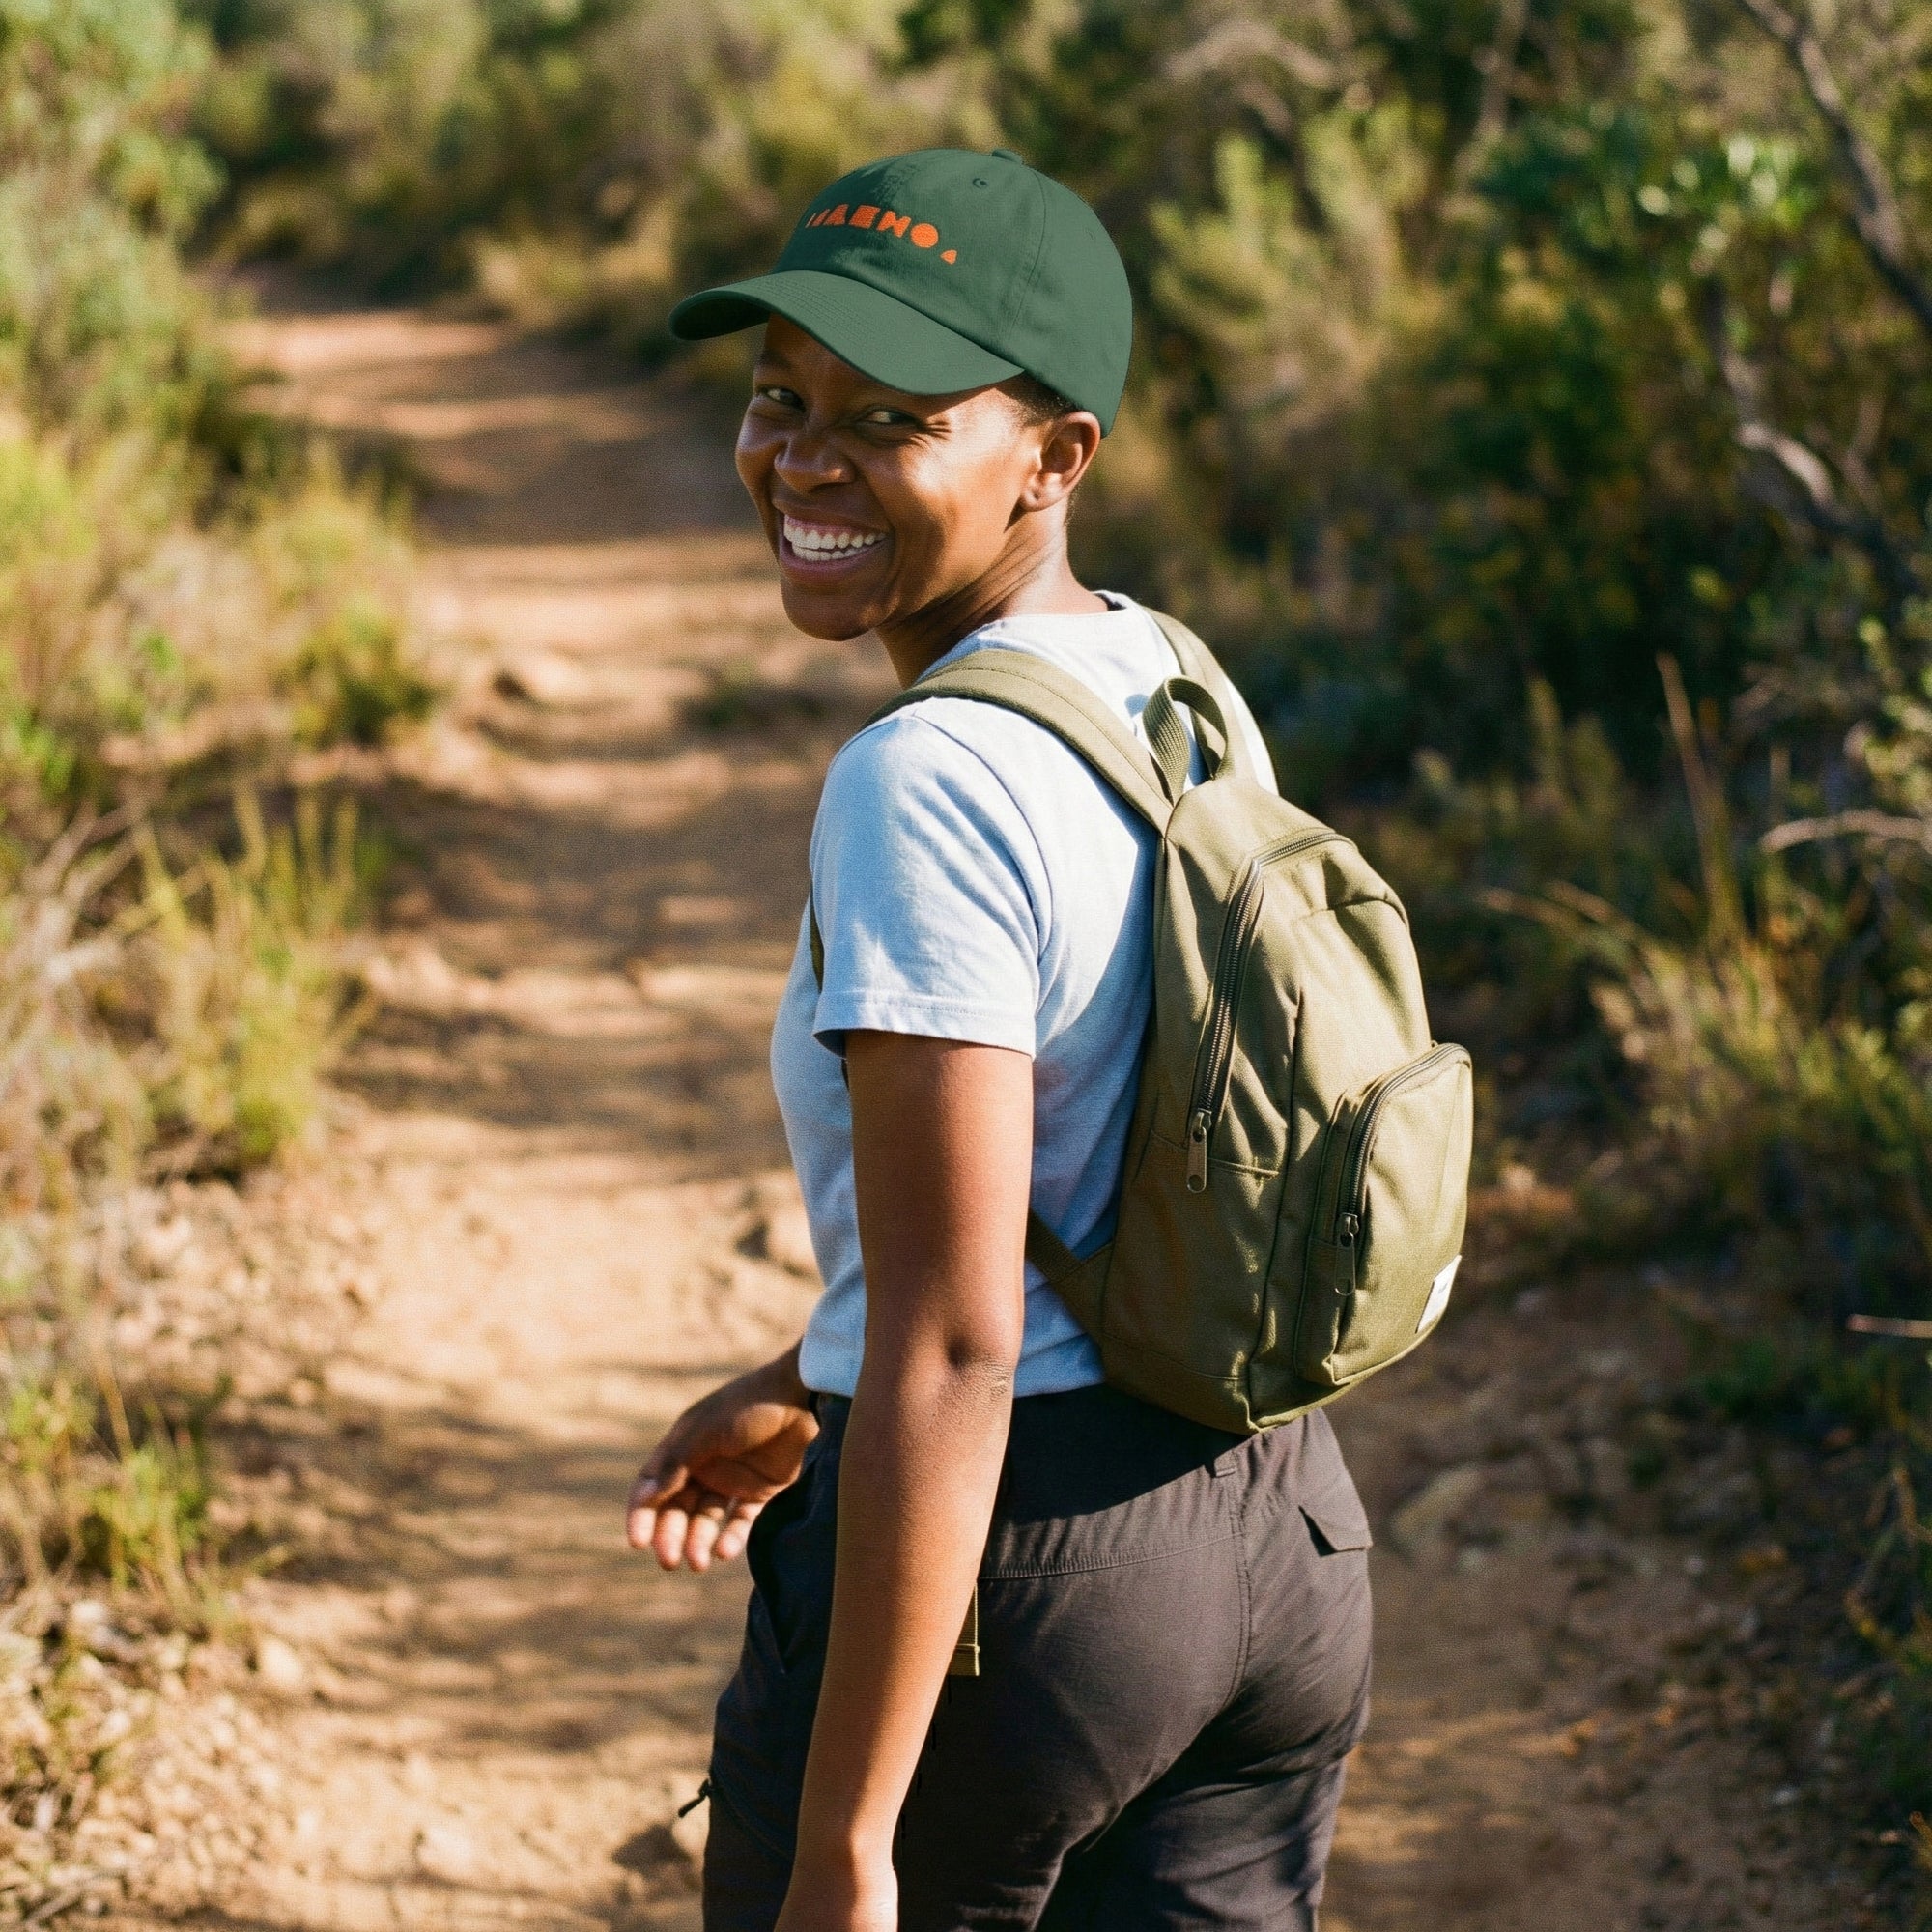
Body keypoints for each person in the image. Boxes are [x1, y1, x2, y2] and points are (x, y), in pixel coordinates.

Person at [624, 148, 1373, 1932]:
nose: (804, 460)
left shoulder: (924, 776)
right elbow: (1135, 1149)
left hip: (1033, 1599)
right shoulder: (1168, 674)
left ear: (1057, 457)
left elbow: (960, 1347)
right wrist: (815, 1379)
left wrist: (845, 1841)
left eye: (890, 416)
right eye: (778, 395)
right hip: (1277, 1536)